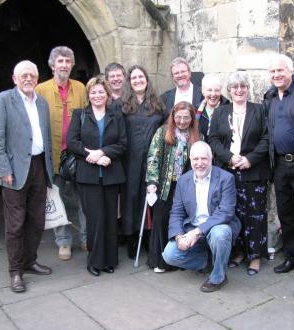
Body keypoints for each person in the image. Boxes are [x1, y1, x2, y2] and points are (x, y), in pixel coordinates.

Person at [0, 60, 54, 293]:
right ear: (14, 79)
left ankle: (29, 261)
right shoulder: (3, 101)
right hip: (13, 170)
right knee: (15, 224)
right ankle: (15, 271)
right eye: (23, 75)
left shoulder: (42, 103)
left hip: (38, 167)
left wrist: (49, 170)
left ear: (36, 79)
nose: (28, 79)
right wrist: (3, 169)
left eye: (32, 76)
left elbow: (46, 138)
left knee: (37, 221)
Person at [208, 71, 270, 276]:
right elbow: (214, 139)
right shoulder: (220, 113)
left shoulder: (259, 111)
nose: (239, 90)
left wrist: (249, 159)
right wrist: (229, 157)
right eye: (235, 87)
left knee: (255, 215)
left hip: (254, 173)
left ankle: (255, 256)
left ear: (248, 89)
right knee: (233, 214)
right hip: (228, 173)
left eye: (243, 86)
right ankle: (238, 253)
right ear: (230, 91)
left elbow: (266, 139)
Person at [67, 76, 127, 276]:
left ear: (108, 94)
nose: (97, 95)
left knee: (110, 218)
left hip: (111, 175)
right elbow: (72, 142)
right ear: (88, 95)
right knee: (95, 219)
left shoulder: (116, 115)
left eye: (101, 91)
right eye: (93, 92)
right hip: (88, 176)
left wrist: (103, 153)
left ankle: (110, 260)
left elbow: (123, 144)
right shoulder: (79, 114)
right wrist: (91, 156)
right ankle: (94, 261)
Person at [162, 141, 241, 292]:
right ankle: (210, 261)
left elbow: (226, 212)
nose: (200, 163)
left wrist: (197, 232)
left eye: (204, 159)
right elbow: (177, 212)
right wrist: (179, 237)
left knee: (220, 234)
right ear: (190, 160)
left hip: (217, 226)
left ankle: (218, 277)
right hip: (192, 228)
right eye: (195, 159)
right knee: (169, 255)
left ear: (211, 159)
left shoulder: (226, 178)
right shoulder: (183, 181)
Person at [263, 54, 294, 280]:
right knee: (287, 214)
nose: (276, 75)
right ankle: (292, 257)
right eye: (272, 72)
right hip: (280, 164)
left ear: (290, 71)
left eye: (280, 71)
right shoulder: (270, 97)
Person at [35, 46, 87, 261]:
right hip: (54, 155)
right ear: (52, 65)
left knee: (84, 199)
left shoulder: (81, 88)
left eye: (67, 61)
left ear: (72, 65)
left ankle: (86, 238)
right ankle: (63, 242)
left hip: (77, 155)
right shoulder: (40, 89)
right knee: (57, 200)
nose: (64, 65)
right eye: (60, 61)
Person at [116, 65, 168, 258]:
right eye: (134, 77)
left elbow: (165, 129)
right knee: (131, 200)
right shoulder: (122, 105)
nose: (138, 80)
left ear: (147, 79)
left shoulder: (158, 104)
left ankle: (148, 238)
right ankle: (131, 239)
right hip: (130, 160)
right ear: (129, 82)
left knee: (151, 200)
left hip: (153, 160)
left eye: (141, 77)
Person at [146, 101, 201, 272]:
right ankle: (160, 261)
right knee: (161, 219)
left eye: (186, 117)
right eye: (178, 117)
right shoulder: (163, 132)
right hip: (165, 185)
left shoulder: (198, 136)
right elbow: (153, 158)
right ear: (173, 117)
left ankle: (180, 259)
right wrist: (152, 182)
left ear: (192, 118)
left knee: (183, 220)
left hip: (187, 186)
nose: (182, 121)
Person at [196, 74, 229, 141]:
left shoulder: (228, 110)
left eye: (216, 90)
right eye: (209, 90)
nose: (213, 94)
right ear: (203, 91)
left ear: (220, 91)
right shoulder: (196, 111)